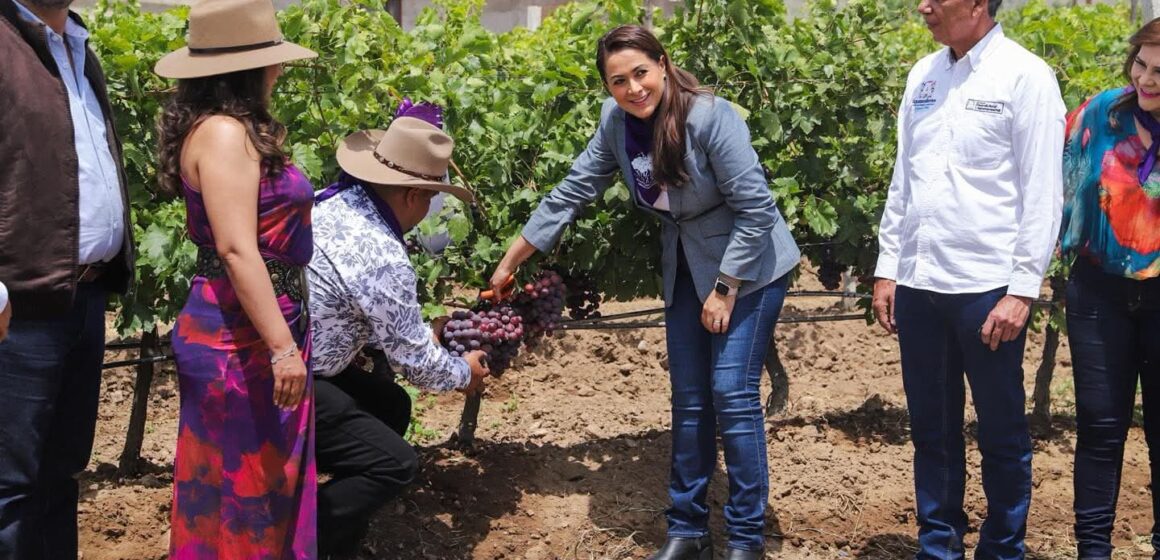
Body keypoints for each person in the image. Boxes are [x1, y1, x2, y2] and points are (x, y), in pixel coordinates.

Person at [489, 24, 799, 560]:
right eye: (618, 81)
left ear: (662, 64)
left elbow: (756, 209)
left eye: (640, 73)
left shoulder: (709, 117)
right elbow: (572, 190)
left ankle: (746, 540)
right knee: (690, 398)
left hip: (749, 266)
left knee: (731, 392)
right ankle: (687, 531)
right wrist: (510, 261)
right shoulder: (617, 124)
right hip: (684, 266)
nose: (633, 88)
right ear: (607, 88)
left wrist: (725, 288)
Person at [871, 0, 1065, 558]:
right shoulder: (923, 75)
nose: (923, 6)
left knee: (1002, 433)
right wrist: (889, 267)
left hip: (987, 290)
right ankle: (939, 545)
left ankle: (1004, 547)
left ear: (978, 4)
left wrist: (1022, 289)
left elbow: (1042, 195)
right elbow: (902, 180)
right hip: (921, 285)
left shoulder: (1025, 76)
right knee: (932, 430)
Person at [153, 0, 319, 556]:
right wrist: (281, 349)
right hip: (238, 337)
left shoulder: (231, 129)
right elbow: (235, 248)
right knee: (237, 494)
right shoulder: (224, 134)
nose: (280, 69)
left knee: (259, 490)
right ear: (249, 68)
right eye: (272, 58)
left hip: (257, 324)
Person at [307, 104, 490, 559]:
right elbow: (419, 369)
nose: (430, 209)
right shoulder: (382, 254)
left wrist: (425, 334)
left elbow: (364, 315)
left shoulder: (331, 202)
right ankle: (301, 533)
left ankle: (332, 527)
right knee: (394, 465)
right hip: (291, 377)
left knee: (388, 405)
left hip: (291, 356)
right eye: (430, 197)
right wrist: (464, 373)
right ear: (411, 194)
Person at [0, 0, 134, 556]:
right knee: (9, 486)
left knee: (61, 474)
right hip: (17, 308)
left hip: (83, 295)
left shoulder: (78, 46)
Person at [1060, 18, 1160, 559]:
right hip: (1099, 291)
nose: (1146, 80)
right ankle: (1092, 550)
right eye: (1141, 65)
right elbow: (1068, 181)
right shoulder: (1100, 112)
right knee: (1100, 427)